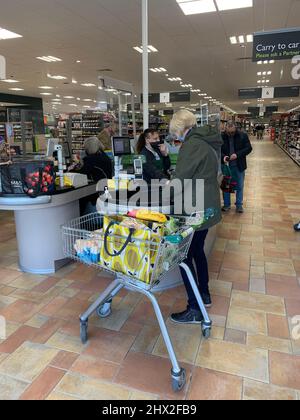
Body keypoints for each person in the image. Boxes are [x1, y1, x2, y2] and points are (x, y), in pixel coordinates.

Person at [169, 110, 223, 324]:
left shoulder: (192, 145)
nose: (176, 137)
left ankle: (194, 308)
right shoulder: (207, 140)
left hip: (195, 209)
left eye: (176, 133)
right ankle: (204, 294)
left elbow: (180, 179)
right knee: (198, 251)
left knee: (183, 257)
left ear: (182, 129)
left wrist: (164, 192)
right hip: (207, 205)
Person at [222, 121, 252, 214]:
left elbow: (249, 148)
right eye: (228, 132)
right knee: (226, 186)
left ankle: (239, 205)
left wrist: (237, 155)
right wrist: (224, 157)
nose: (230, 134)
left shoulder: (243, 135)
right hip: (226, 166)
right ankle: (226, 204)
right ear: (225, 129)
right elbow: (217, 149)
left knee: (239, 186)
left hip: (239, 165)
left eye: (232, 132)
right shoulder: (221, 136)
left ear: (235, 128)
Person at [80, 137, 113, 214]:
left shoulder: (91, 159)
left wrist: (79, 164)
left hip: (96, 194)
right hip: (105, 191)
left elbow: (82, 173)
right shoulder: (104, 156)